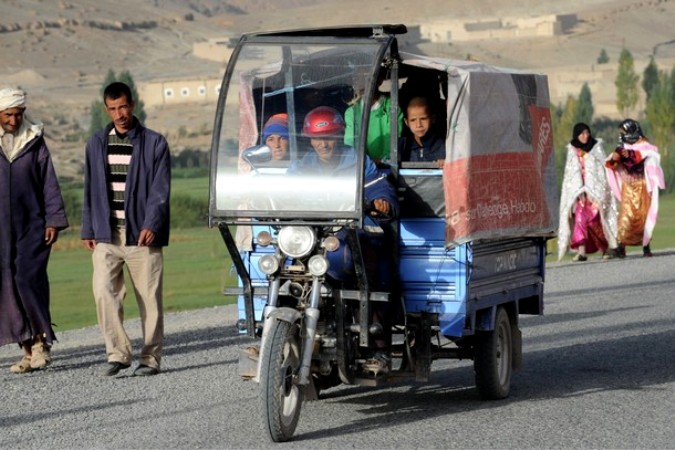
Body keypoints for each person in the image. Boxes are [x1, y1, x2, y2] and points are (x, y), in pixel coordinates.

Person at [289, 106, 398, 374]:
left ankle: (378, 349)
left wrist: (382, 201)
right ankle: (281, 339)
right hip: (316, 235)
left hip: (354, 231)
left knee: (372, 271)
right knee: (284, 267)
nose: (323, 143)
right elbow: (285, 191)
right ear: (310, 140)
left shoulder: (357, 161)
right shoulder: (302, 166)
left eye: (329, 137)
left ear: (339, 136)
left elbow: (379, 185)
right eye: (317, 138)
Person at [81, 81, 171, 377]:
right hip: (107, 234)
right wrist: (88, 229)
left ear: (132, 105)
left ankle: (150, 359)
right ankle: (118, 354)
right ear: (106, 109)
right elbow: (90, 188)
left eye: (122, 107)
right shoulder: (96, 143)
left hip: (142, 236)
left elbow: (160, 190)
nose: (118, 114)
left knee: (149, 299)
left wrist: (151, 224)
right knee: (104, 292)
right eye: (112, 109)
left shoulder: (155, 143)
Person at [0, 87, 69, 374]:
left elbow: (49, 183)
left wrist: (53, 219)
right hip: (1, 230)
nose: (14, 120)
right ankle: (27, 349)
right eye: (8, 115)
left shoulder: (34, 141)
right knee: (8, 285)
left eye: (18, 114)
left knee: (28, 279)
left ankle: (42, 342)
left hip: (34, 225)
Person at [557, 123, 618, 262]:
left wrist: (596, 191)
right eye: (582, 133)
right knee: (579, 220)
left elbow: (602, 171)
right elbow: (570, 174)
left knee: (595, 221)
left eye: (587, 133)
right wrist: (577, 190)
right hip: (580, 196)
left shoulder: (596, 148)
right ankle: (581, 252)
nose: (585, 136)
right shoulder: (572, 150)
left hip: (595, 194)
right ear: (577, 135)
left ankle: (606, 248)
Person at [605, 119, 665, 257]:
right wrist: (616, 163)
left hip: (642, 186)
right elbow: (613, 163)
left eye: (624, 132)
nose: (622, 136)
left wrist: (632, 158)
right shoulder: (622, 147)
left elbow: (650, 157)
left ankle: (646, 246)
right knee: (626, 217)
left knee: (643, 217)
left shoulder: (645, 146)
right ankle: (621, 247)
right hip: (628, 188)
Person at [344, 70, 403, 164]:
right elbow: (350, 144)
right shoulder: (352, 112)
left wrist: (382, 160)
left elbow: (393, 141)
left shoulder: (392, 107)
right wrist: (362, 161)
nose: (361, 83)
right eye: (357, 79)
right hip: (359, 167)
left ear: (380, 80)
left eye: (367, 78)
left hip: (385, 166)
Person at [399, 96, 446, 167]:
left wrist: (447, 163)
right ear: (406, 122)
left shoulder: (444, 146)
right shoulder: (401, 146)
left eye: (423, 119)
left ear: (432, 119)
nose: (418, 125)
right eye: (413, 120)